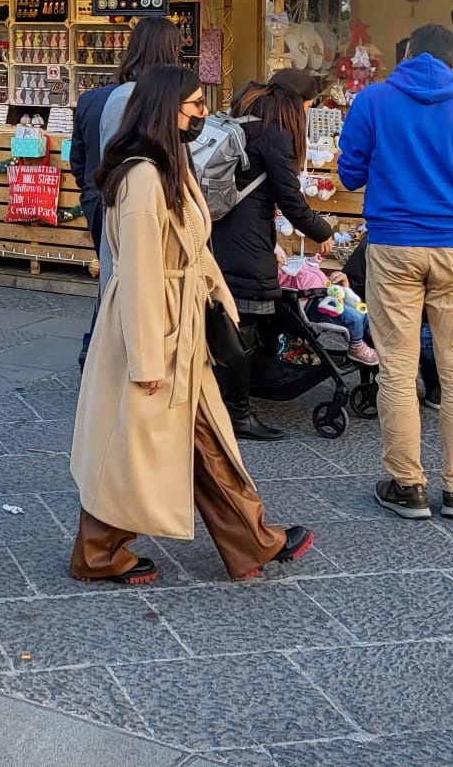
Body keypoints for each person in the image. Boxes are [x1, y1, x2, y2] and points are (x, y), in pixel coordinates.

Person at [68, 64, 313, 585]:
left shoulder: (166, 166)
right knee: (135, 445)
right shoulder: (141, 176)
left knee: (197, 435)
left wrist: (218, 305)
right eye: (195, 105)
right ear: (167, 110)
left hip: (179, 322)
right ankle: (100, 552)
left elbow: (193, 252)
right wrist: (147, 357)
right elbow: (137, 271)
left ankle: (250, 540)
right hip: (154, 327)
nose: (204, 114)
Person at [337, 22, 453, 522]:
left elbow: (350, 174)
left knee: (396, 365)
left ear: (405, 53)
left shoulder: (372, 101)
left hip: (393, 246)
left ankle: (407, 484)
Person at [208, 71, 338, 441]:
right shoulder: (275, 133)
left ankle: (223, 400)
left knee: (229, 316)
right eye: (308, 106)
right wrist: (322, 232)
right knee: (244, 318)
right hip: (245, 237)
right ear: (295, 103)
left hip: (222, 230)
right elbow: (291, 199)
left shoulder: (243, 117)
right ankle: (237, 414)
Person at [71, 16, 184, 360]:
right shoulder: (151, 102)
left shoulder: (93, 98)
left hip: (96, 194)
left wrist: (91, 190)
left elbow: (77, 157)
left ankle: (97, 344)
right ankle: (107, 349)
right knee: (128, 275)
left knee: (113, 270)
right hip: (133, 201)